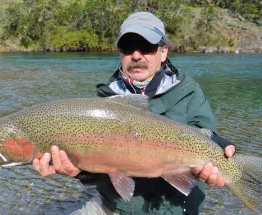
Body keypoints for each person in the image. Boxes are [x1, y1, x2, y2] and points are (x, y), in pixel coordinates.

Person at [33, 12, 236, 215]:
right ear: (120, 53)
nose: (137, 56)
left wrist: (219, 149)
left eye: (146, 47)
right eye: (128, 48)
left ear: (163, 52)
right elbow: (103, 166)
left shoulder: (189, 92)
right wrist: (79, 171)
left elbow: (204, 133)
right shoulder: (105, 101)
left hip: (175, 208)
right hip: (116, 206)